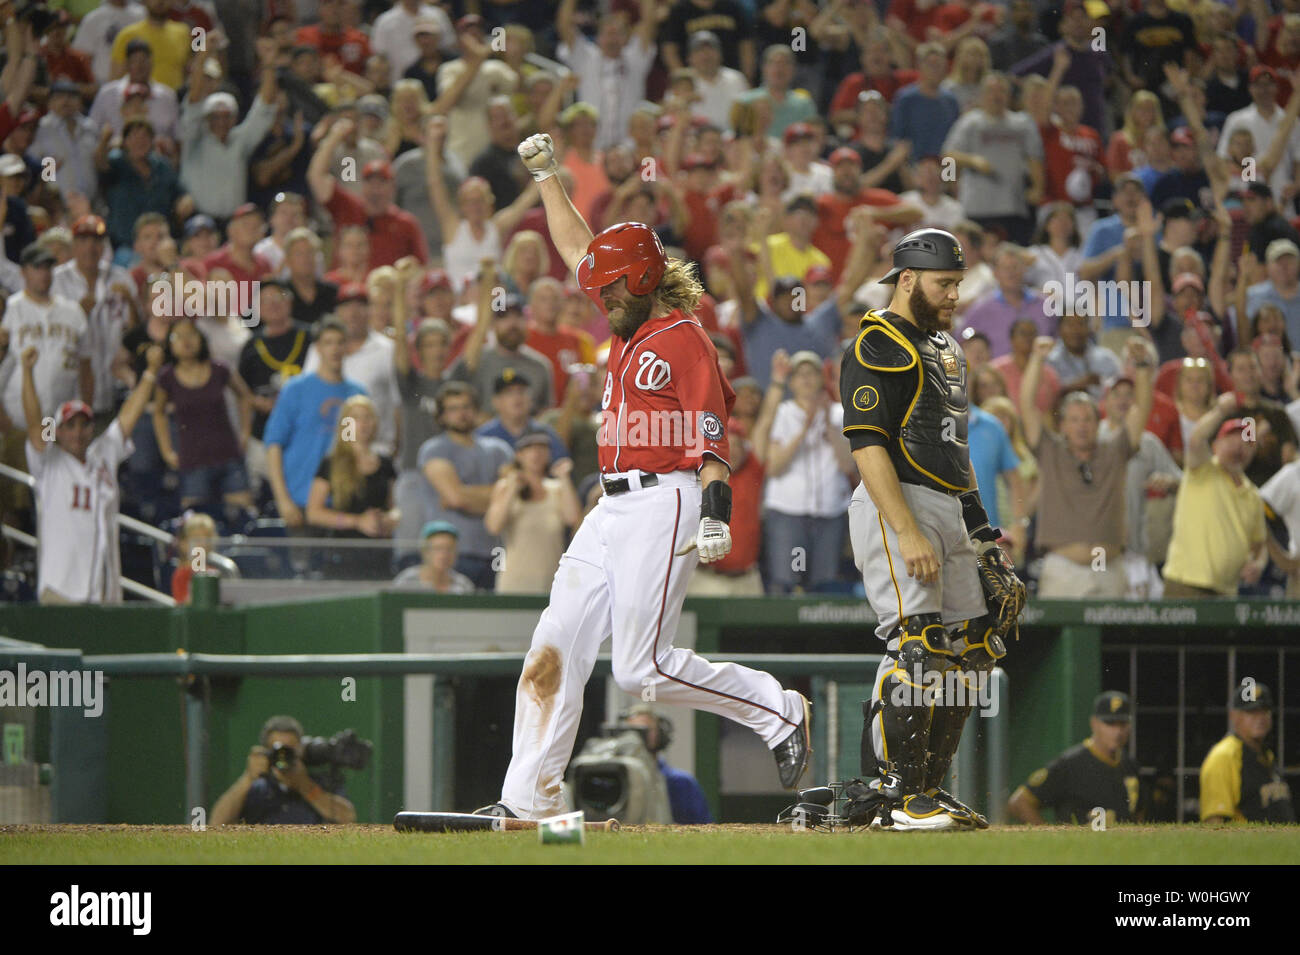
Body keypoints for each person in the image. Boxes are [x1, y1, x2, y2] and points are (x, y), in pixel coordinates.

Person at [473, 132, 811, 821]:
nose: (595, 290)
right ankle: (526, 801)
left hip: (669, 500)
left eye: (608, 284)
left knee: (639, 669)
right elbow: (577, 249)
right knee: (553, 644)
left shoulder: (686, 339)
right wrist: (547, 178)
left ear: (642, 280)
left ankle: (779, 710)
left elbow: (713, 439)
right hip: (611, 506)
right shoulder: (626, 309)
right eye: (598, 283)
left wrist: (715, 513)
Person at [838, 227, 1025, 831]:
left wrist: (981, 533)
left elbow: (955, 449)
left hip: (945, 503)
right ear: (909, 278)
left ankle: (929, 790)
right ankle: (895, 798)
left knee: (974, 649)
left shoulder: (946, 347)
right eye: (945, 284)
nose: (954, 296)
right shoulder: (876, 343)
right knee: (917, 645)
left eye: (958, 285)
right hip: (895, 503)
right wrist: (907, 530)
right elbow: (867, 445)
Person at [21, 341, 159, 604]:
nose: (77, 432)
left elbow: (128, 417)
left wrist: (151, 373)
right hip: (60, 590)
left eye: (84, 425)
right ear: (59, 431)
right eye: (70, 426)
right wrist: (27, 373)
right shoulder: (50, 462)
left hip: (104, 591)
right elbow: (35, 425)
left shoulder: (102, 454)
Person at [1022, 336, 1153, 597]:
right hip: (1063, 569)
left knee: (1113, 639)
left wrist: (1141, 366)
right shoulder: (1050, 450)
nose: (1081, 426)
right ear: (1063, 426)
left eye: (1088, 420)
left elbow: (1141, 410)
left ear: (1098, 423)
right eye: (1074, 420)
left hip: (1110, 567)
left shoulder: (1114, 451)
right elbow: (1027, 405)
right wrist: (1037, 360)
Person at [752, 349, 853, 594]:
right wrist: (804, 428)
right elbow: (774, 468)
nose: (806, 379)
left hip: (830, 512)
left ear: (822, 378)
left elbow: (848, 466)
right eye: (799, 374)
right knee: (785, 582)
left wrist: (827, 423)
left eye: (812, 373)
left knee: (824, 584)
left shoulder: (839, 413)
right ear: (792, 381)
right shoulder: (784, 413)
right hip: (788, 512)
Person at [263, 317, 368, 528]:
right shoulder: (296, 389)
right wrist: (283, 501)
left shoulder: (356, 394)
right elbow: (274, 444)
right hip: (300, 500)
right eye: (328, 342)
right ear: (318, 348)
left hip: (342, 504)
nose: (335, 349)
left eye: (340, 342)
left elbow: (352, 446)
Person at [1161, 397, 1268, 598]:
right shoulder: (1202, 471)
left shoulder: (1252, 494)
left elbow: (1260, 544)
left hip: (1226, 592)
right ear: (1216, 446)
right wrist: (1219, 411)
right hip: (1186, 585)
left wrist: (1258, 564)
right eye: (1231, 440)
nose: (1239, 448)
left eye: (1246, 443)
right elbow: (1196, 440)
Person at [153, 316, 256, 519]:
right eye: (178, 337)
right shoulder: (166, 377)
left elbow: (244, 396)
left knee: (242, 519)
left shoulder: (220, 369)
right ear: (169, 344)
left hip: (229, 456)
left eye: (191, 335)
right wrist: (166, 451)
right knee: (196, 527)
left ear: (201, 339)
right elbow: (158, 413)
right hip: (192, 462)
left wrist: (245, 433)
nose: (186, 341)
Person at [1007, 691, 1140, 826]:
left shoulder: (1129, 764)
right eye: (1110, 723)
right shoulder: (1071, 763)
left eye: (1122, 724)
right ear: (1094, 723)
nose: (1117, 732)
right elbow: (1019, 802)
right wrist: (1050, 838)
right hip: (1079, 845)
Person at [305, 394, 398, 579]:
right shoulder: (331, 463)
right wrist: (357, 521)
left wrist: (389, 520)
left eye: (367, 417)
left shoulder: (386, 464)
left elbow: (395, 508)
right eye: (355, 417)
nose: (363, 423)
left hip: (379, 552)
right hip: (343, 553)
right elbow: (314, 513)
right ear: (345, 424)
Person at [210, 715, 357, 825]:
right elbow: (216, 824)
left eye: (289, 751)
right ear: (267, 753)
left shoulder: (321, 784)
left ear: (300, 751)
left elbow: (348, 818)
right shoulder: (256, 789)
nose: (283, 757)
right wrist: (248, 778)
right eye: (277, 751)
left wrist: (305, 786)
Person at [483, 429, 581, 593]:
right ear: (519, 454)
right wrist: (512, 488)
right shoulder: (505, 487)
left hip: (552, 581)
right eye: (529, 448)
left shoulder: (557, 489)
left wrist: (564, 478)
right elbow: (493, 526)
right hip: (514, 581)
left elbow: (572, 519)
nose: (536, 454)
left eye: (542, 448)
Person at [1199, 681, 1295, 823]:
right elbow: (1214, 820)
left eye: (1264, 711)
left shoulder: (1266, 755)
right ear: (1234, 716)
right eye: (1251, 712)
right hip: (1248, 844)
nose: (1260, 718)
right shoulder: (1224, 756)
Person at [623, 704, 712, 824]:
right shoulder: (617, 781)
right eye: (634, 730)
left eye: (646, 730)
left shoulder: (682, 783)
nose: (639, 736)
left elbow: (705, 828)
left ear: (661, 733)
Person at [391, 520, 476, 592]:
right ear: (425, 551)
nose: (444, 555)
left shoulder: (464, 586)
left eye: (449, 549)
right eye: (438, 548)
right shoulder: (406, 582)